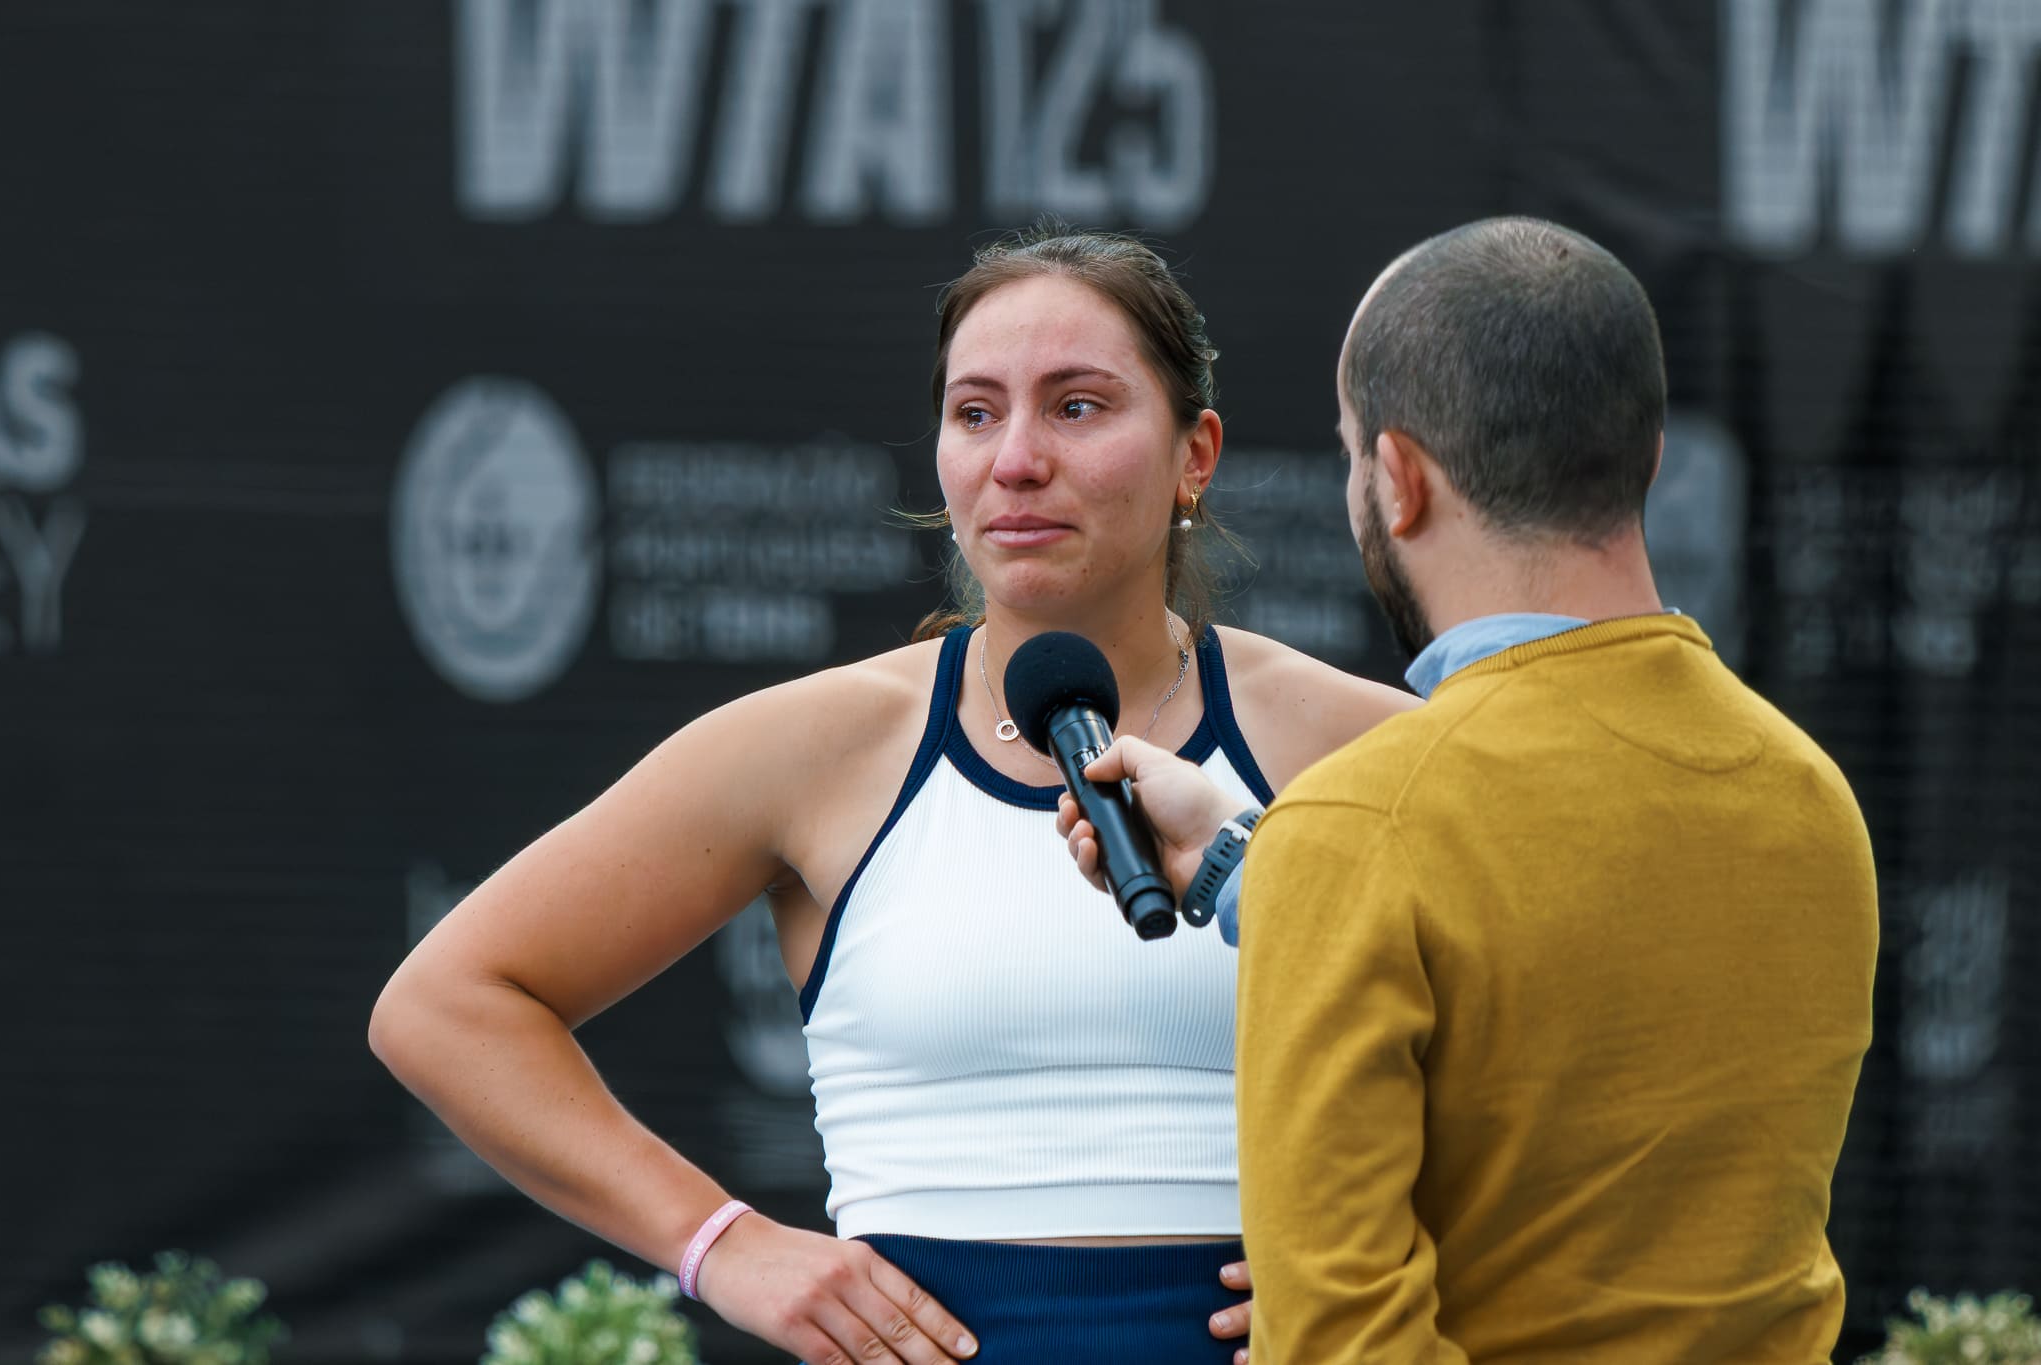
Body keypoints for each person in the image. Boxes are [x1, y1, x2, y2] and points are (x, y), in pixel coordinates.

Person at [369, 226, 1414, 1365]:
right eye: (974, 413)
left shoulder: (1359, 743)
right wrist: (721, 1244)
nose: (1014, 459)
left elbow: (1570, 1056)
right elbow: (447, 1005)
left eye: (1076, 407)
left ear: (1193, 455)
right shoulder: (818, 745)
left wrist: (1406, 1254)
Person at [1058, 216, 1879, 1363]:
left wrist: (1300, 862)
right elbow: (1554, 1010)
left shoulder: (1360, 827)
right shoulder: (1807, 797)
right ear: (1644, 457)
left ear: (1395, 480)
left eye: (1351, 449)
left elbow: (1341, 1342)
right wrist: (1258, 866)